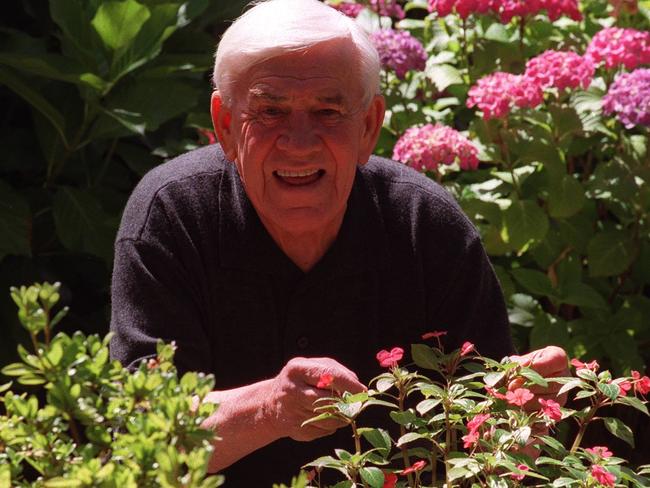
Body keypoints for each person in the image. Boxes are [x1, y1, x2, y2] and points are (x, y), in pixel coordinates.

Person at [109, 0, 569, 484]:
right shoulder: (173, 213)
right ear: (225, 124)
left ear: (368, 126)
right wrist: (270, 408)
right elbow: (141, 436)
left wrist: (523, 424)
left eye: (328, 111)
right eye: (270, 111)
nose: (300, 142)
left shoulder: (425, 225)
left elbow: (482, 436)